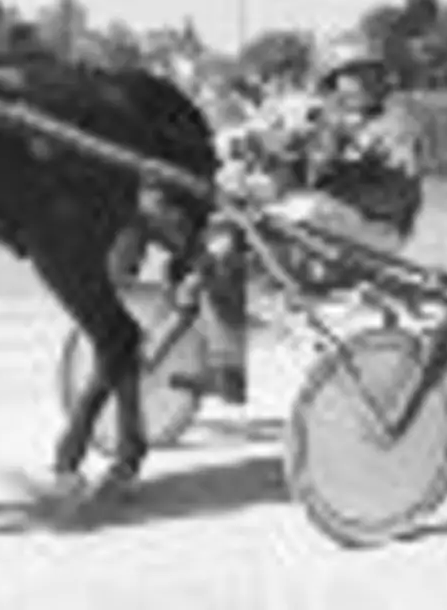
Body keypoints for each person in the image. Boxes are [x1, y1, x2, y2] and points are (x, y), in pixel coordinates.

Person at [169, 33, 426, 404]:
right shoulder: (328, 117)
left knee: (294, 210)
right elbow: (291, 153)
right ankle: (229, 361)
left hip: (376, 230)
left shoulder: (397, 123)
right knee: (232, 227)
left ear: (380, 77)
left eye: (365, 73)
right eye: (347, 75)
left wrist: (343, 158)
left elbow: (396, 191)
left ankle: (251, 323)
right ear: (333, 82)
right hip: (331, 222)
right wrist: (254, 148)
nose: (356, 83)